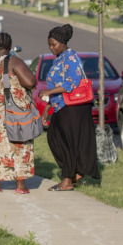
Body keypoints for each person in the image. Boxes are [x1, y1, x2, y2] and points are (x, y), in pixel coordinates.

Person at [39, 24, 100, 191]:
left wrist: (48, 91)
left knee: (67, 143)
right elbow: (56, 84)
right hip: (61, 106)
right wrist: (47, 109)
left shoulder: (71, 57)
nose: (51, 48)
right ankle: (75, 172)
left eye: (54, 44)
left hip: (73, 107)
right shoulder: (59, 58)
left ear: (62, 43)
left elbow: (71, 83)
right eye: (49, 45)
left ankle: (68, 180)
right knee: (54, 138)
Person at [0, 32, 38, 194]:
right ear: (10, 46)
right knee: (19, 144)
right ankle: (20, 185)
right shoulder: (14, 61)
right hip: (14, 110)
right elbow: (30, 82)